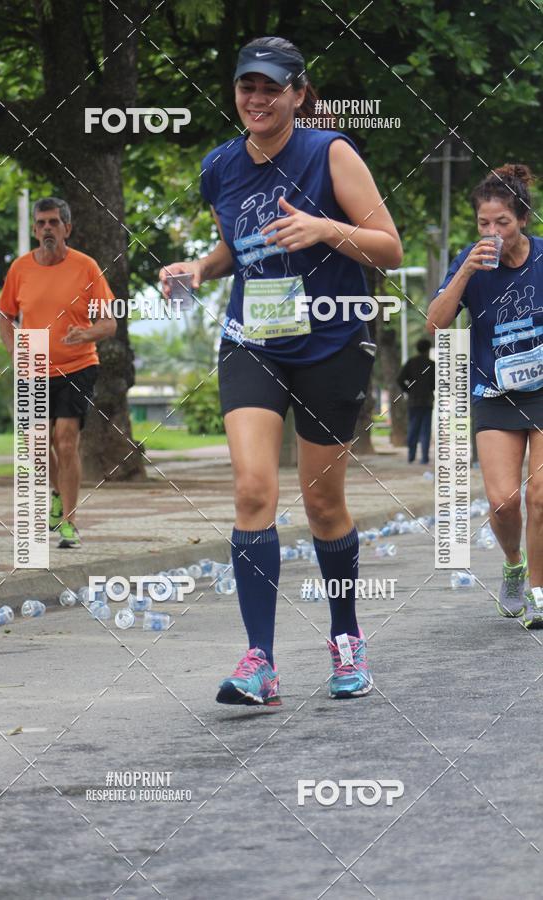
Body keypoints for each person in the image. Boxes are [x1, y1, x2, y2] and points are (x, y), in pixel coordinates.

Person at [160, 36, 402, 704]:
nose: (258, 99)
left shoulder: (330, 153)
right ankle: (259, 661)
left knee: (323, 503)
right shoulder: (220, 167)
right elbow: (236, 246)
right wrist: (197, 269)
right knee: (251, 491)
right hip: (254, 340)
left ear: (298, 92)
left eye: (272, 88)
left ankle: (345, 636)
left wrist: (326, 230)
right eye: (247, 87)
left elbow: (389, 246)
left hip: (331, 340)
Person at [427, 164, 543, 627]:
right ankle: (513, 564)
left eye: (502, 223)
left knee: (540, 496)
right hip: (495, 392)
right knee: (502, 501)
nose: (492, 232)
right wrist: (464, 274)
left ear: (523, 220)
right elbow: (435, 324)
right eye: (483, 223)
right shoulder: (469, 263)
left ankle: (538, 589)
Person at [0, 197, 116, 549]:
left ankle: (69, 521)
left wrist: (87, 333)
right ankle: (54, 494)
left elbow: (108, 323)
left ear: (67, 227)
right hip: (33, 364)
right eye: (41, 223)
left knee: (66, 439)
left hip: (78, 365)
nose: (47, 228)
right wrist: (15, 350)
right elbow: (5, 317)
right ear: (34, 230)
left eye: (53, 222)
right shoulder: (19, 269)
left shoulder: (87, 267)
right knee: (38, 444)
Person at [397, 338, 435, 464]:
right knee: (425, 429)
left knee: (413, 428)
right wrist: (430, 388)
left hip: (413, 401)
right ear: (428, 349)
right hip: (427, 401)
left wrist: (409, 390)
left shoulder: (411, 362)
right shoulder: (432, 364)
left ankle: (411, 456)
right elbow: (436, 382)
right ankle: (424, 457)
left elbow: (400, 379)